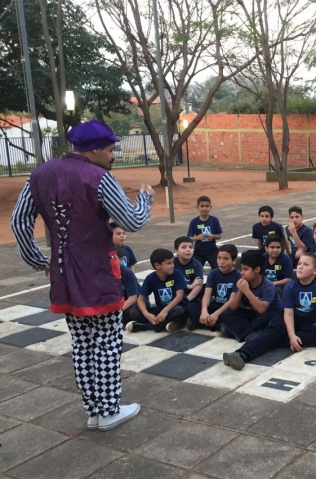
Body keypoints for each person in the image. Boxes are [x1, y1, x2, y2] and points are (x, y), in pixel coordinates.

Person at [11, 119, 153, 431]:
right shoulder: (99, 177)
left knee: (82, 343)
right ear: (97, 149)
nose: (113, 156)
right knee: (107, 341)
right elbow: (131, 222)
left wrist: (38, 259)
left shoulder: (40, 174)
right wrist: (145, 200)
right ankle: (109, 409)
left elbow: (19, 221)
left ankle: (94, 409)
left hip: (63, 271)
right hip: (96, 270)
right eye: (112, 149)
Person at [223, 253, 316, 370]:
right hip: (285, 318)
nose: (300, 266)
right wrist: (292, 336)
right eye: (299, 263)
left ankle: (263, 339)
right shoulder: (290, 287)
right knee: (274, 332)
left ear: (315, 271)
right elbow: (288, 314)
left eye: (305, 264)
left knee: (314, 337)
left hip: (306, 323)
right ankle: (241, 354)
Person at [220, 250, 280, 343]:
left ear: (257, 269)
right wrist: (240, 290)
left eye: (246, 269)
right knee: (227, 314)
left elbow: (262, 309)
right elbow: (233, 307)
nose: (242, 273)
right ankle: (249, 334)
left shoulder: (268, 286)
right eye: (241, 269)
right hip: (251, 313)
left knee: (264, 320)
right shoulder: (243, 282)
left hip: (266, 314)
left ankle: (238, 331)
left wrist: (246, 291)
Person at [129, 248, 187, 333]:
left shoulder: (177, 274)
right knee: (134, 311)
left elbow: (180, 296)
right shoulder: (151, 278)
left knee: (179, 310)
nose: (173, 265)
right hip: (160, 309)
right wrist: (147, 314)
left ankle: (146, 326)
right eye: (169, 263)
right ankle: (168, 323)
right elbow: (140, 299)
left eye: (172, 262)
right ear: (157, 266)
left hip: (175, 307)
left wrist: (165, 311)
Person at [186, 244, 241, 332]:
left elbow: (232, 301)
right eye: (219, 258)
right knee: (191, 306)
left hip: (226, 308)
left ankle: (199, 323)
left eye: (226, 259)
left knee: (231, 315)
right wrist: (204, 311)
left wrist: (216, 314)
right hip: (214, 305)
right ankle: (218, 326)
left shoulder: (238, 276)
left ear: (234, 261)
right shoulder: (213, 273)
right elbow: (207, 295)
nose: (221, 262)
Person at [187, 195, 222, 269]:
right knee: (195, 269)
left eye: (207, 206)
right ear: (197, 207)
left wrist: (213, 236)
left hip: (212, 250)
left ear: (210, 207)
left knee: (218, 268)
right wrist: (198, 237)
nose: (204, 208)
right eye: (202, 206)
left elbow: (219, 236)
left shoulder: (214, 220)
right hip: (199, 251)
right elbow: (189, 238)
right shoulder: (194, 222)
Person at [173, 236, 204, 303]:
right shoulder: (172, 264)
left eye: (190, 247)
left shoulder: (197, 265)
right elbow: (172, 283)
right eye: (183, 247)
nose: (188, 250)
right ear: (176, 251)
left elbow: (198, 285)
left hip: (191, 297)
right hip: (175, 296)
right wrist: (190, 286)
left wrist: (186, 300)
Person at [116, 246, 141, 326]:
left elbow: (133, 298)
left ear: (121, 260)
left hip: (135, 301)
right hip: (120, 303)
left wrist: (117, 311)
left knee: (133, 313)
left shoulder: (127, 273)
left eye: (113, 258)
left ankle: (140, 323)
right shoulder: (104, 274)